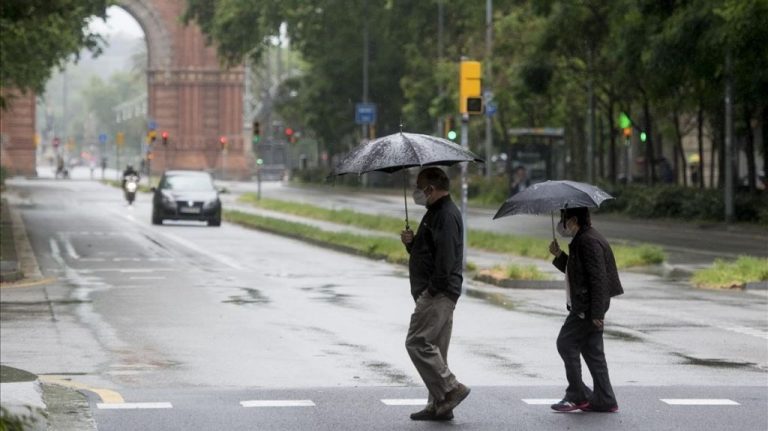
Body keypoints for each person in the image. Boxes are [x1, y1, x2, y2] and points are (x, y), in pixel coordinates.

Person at [400, 167, 471, 422]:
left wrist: (431, 290)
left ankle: (451, 389)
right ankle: (439, 405)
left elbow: (446, 258)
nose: (416, 192)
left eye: (419, 187)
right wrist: (411, 243)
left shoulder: (445, 215)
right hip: (439, 290)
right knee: (436, 350)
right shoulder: (435, 213)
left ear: (431, 188)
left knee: (417, 342)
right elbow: (429, 252)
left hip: (438, 292)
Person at [548, 207, 623, 413]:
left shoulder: (588, 241)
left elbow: (598, 279)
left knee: (565, 343)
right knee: (592, 351)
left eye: (563, 219)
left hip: (587, 306)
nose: (561, 225)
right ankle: (605, 399)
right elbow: (578, 272)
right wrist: (559, 255)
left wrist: (597, 313)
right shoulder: (584, 238)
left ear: (573, 219)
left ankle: (576, 395)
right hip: (590, 305)